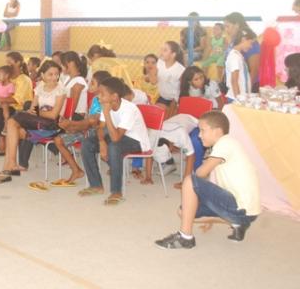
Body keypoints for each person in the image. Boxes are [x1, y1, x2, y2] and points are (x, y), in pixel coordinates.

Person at [155, 111, 260, 249]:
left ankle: (185, 237)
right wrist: (211, 203)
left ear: (217, 131)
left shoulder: (225, 143)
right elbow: (214, 183)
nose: (199, 135)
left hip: (241, 208)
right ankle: (238, 224)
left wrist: (199, 191)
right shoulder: (226, 145)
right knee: (184, 211)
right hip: (244, 210)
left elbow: (200, 173)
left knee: (190, 180)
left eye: (202, 130)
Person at [0, 60, 66, 184]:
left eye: (56, 74)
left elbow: (53, 115)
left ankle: (10, 166)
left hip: (51, 126)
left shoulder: (60, 90)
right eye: (50, 74)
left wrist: (36, 111)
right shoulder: (40, 86)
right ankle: (8, 167)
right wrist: (33, 111)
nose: (54, 77)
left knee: (13, 120)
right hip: (38, 121)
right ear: (43, 75)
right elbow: (33, 107)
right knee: (13, 128)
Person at [81, 77, 151, 205]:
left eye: (102, 94)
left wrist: (107, 113)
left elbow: (115, 138)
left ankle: (116, 191)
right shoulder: (106, 105)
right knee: (87, 143)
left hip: (137, 141)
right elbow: (101, 128)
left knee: (114, 146)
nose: (99, 96)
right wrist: (102, 143)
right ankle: (96, 185)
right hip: (117, 136)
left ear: (114, 96)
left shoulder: (129, 109)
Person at [55, 70, 111, 186]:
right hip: (88, 129)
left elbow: (94, 123)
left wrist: (73, 125)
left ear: (102, 87)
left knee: (82, 131)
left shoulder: (107, 101)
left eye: (93, 83)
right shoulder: (94, 100)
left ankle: (114, 166)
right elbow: (89, 119)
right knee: (58, 140)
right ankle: (76, 170)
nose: (90, 85)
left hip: (100, 133)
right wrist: (75, 126)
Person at [224, 12, 260, 91]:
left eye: (227, 26)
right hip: (235, 86)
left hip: (245, 88)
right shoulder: (235, 41)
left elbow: (254, 70)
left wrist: (246, 91)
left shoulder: (250, 43)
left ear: (236, 25)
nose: (226, 30)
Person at [225, 28, 255, 102]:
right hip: (235, 98)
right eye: (250, 43)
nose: (251, 46)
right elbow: (234, 81)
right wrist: (238, 101)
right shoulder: (235, 57)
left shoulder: (238, 55)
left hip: (241, 97)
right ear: (243, 39)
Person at [156, 41, 185, 116]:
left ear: (173, 55)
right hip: (162, 97)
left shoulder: (180, 69)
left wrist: (176, 102)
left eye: (165, 50)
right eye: (161, 50)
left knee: (167, 118)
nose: (161, 52)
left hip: (174, 100)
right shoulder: (159, 63)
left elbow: (183, 89)